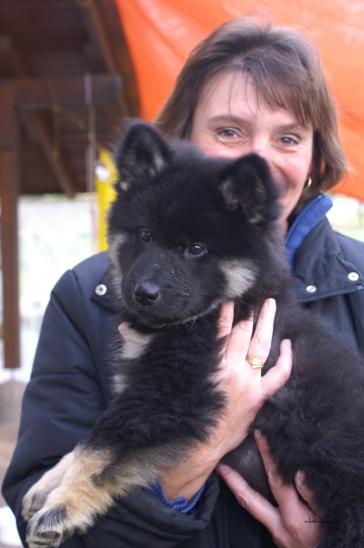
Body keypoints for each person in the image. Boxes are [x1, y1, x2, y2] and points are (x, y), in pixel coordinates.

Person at [3, 17, 364, 548]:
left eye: (288, 137)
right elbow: (43, 525)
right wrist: (182, 471)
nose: (257, 158)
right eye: (229, 130)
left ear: (315, 156)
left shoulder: (357, 288)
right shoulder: (84, 299)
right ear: (184, 136)